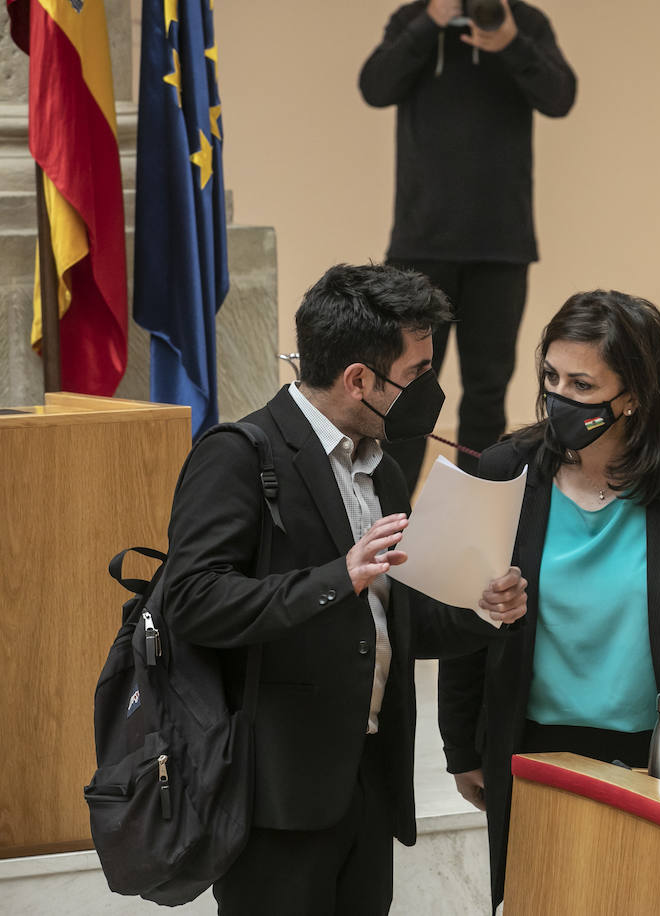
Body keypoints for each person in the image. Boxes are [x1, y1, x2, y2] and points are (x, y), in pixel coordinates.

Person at [161, 264, 529, 914]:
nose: (429, 390)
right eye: (417, 373)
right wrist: (338, 578)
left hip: (367, 786)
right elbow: (192, 602)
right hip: (273, 797)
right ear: (359, 379)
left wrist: (482, 609)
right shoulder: (241, 455)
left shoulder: (380, 470)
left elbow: (393, 620)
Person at [436, 289, 660, 908]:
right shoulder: (504, 471)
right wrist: (461, 745)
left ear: (635, 395)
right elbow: (468, 612)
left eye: (583, 384)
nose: (561, 398)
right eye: (551, 377)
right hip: (538, 746)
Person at [360, 0, 577, 487]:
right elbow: (375, 87)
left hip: (501, 246)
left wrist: (511, 44)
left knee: (487, 392)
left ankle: (473, 524)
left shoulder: (522, 22)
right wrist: (429, 24)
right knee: (403, 387)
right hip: (420, 246)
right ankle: (390, 515)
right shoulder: (414, 19)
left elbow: (560, 97)